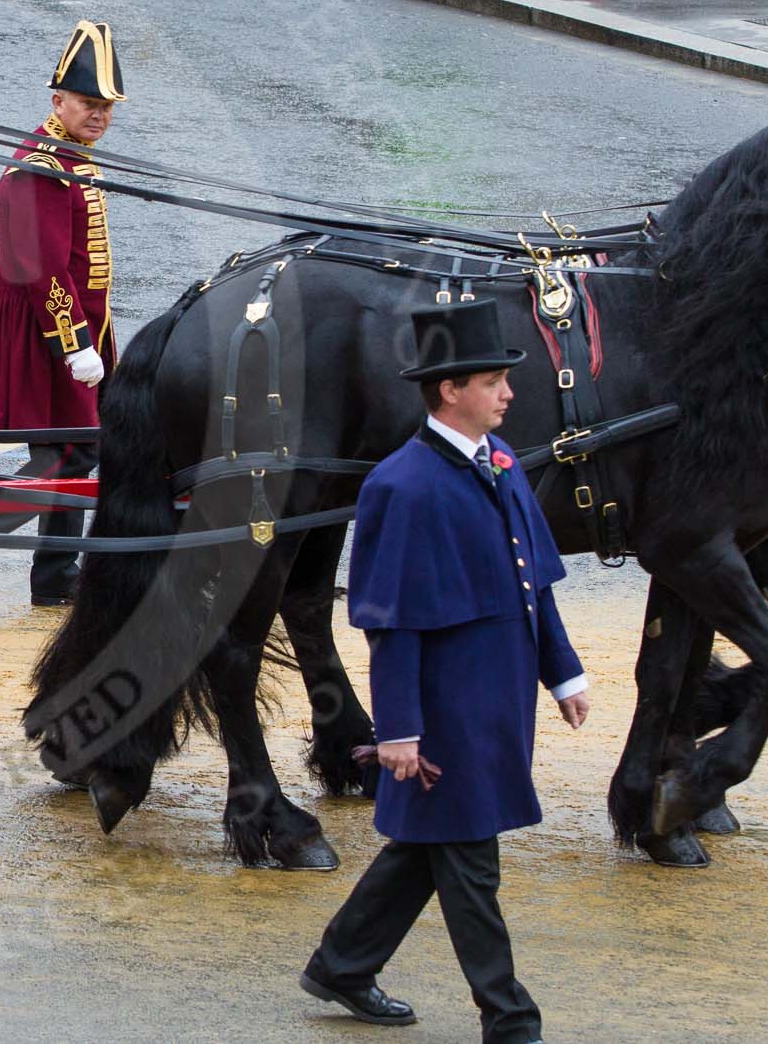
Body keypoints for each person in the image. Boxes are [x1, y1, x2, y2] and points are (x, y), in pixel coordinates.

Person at [300, 299, 590, 1043]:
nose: (509, 393)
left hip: (497, 706)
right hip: (444, 713)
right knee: (470, 862)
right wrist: (398, 726)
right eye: (495, 380)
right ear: (450, 388)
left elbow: (536, 585)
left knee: (428, 849)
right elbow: (388, 621)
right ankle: (510, 1017)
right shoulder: (400, 485)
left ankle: (342, 962)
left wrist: (564, 674)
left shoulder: (501, 463)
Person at [0, 22, 122, 606]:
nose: (98, 116)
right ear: (58, 102)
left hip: (77, 326)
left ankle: (52, 578)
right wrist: (74, 343)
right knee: (72, 449)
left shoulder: (70, 152)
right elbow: (46, 269)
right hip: (47, 326)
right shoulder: (41, 166)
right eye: (88, 104)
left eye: (106, 107)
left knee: (72, 448)